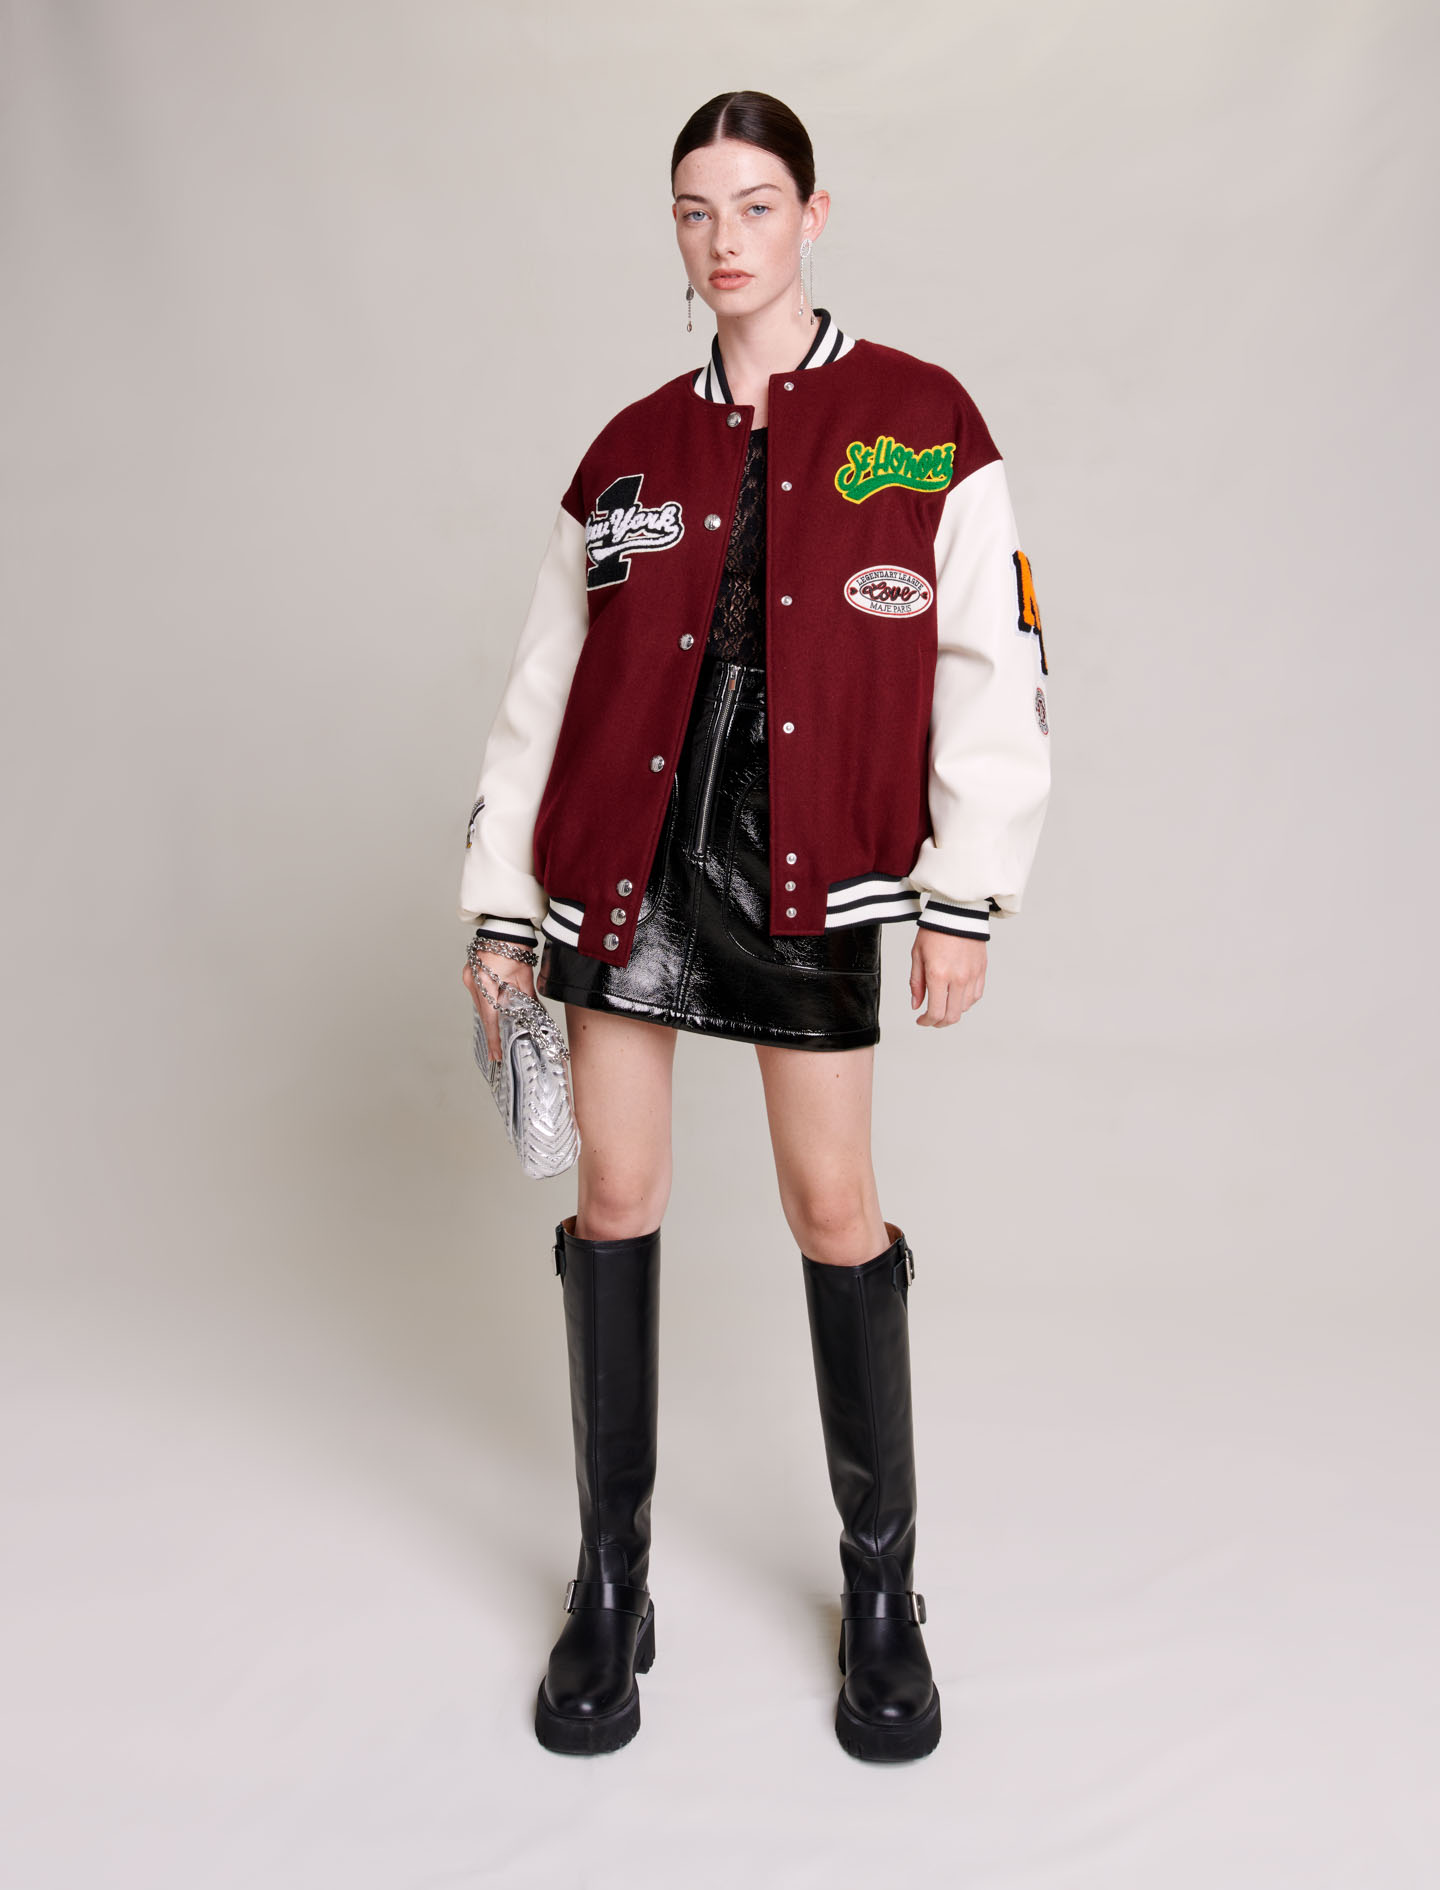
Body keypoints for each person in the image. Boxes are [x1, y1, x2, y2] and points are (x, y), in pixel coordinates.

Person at [457, 90, 1052, 1764]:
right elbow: (545, 690)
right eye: (696, 210)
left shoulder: (921, 421)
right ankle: (611, 1580)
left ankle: (883, 1591)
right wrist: (501, 904)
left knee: (833, 1205)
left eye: (758, 205)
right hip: (622, 860)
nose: (726, 240)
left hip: (808, 865)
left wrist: (966, 890)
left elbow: (991, 663)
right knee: (616, 1196)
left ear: (815, 214)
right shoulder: (626, 450)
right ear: (675, 229)